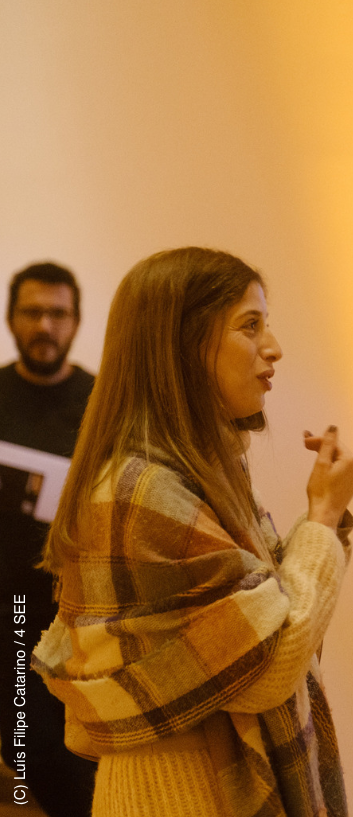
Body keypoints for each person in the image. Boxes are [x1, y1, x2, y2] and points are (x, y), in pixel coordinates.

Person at [32, 247, 353, 817]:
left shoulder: (201, 470)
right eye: (249, 326)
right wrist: (324, 518)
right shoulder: (142, 491)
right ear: (182, 347)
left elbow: (273, 615)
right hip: (179, 795)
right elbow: (271, 665)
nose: (273, 347)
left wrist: (323, 522)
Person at [0, 262, 97, 815]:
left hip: (84, 613)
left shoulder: (102, 402)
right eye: (32, 312)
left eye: (57, 313)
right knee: (26, 751)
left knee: (84, 757)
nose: (44, 325)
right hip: (9, 612)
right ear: (11, 319)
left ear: (76, 322)